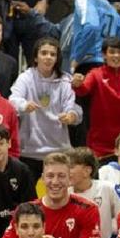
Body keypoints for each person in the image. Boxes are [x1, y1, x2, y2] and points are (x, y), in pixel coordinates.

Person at [9, 37, 80, 175]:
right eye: (44, 53)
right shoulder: (25, 77)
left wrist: (71, 115)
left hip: (59, 150)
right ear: (36, 57)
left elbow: (73, 107)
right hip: (30, 151)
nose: (48, 57)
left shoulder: (65, 80)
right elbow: (12, 100)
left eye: (52, 54)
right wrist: (24, 105)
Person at [68, 148, 120, 238]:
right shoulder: (64, 193)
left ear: (87, 171)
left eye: (71, 166)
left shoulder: (106, 189)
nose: (67, 171)